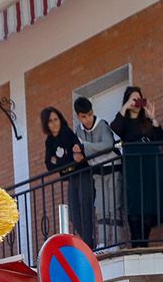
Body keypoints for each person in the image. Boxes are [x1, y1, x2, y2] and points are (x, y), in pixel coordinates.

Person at [111, 85, 163, 246]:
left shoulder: (146, 121)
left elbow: (161, 139)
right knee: (134, 204)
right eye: (132, 99)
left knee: (148, 205)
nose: (136, 102)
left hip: (149, 168)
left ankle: (144, 242)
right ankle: (136, 242)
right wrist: (125, 107)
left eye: (138, 99)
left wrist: (153, 117)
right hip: (133, 169)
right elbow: (115, 128)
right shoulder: (124, 122)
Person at [75, 96, 122, 247]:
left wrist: (85, 146)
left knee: (113, 205)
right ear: (78, 117)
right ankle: (103, 243)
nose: (88, 119)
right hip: (97, 171)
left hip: (113, 167)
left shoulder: (102, 124)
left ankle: (115, 242)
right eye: (84, 116)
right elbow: (80, 153)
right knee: (101, 207)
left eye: (90, 114)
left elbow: (108, 145)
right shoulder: (78, 130)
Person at [42, 106, 92, 246]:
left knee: (85, 207)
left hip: (82, 173)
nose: (54, 123)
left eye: (56, 119)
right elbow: (49, 165)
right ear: (46, 125)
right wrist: (66, 160)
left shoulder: (67, 132)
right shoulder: (50, 141)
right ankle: (88, 243)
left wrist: (60, 160)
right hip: (70, 177)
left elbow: (77, 157)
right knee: (73, 213)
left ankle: (89, 244)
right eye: (50, 121)